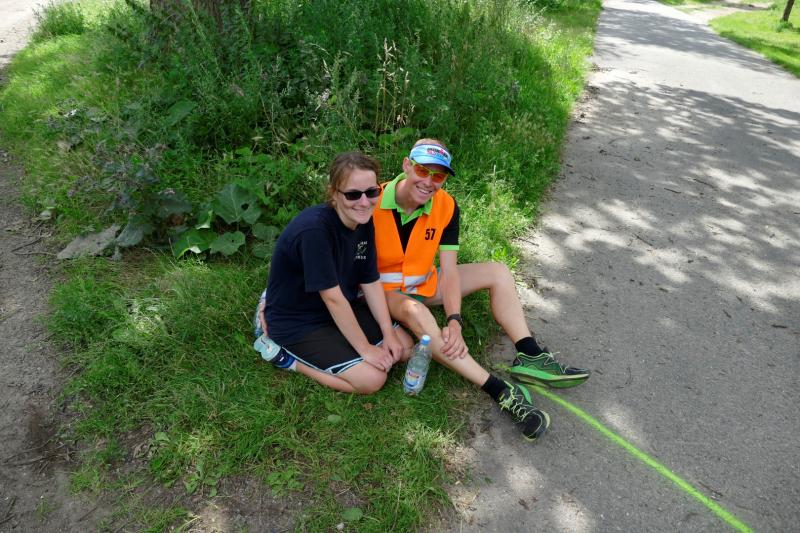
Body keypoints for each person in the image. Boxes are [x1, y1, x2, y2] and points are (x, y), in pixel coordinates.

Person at [372, 138, 590, 441]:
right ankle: (500, 390)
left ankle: (530, 354)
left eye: (438, 176)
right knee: (417, 312)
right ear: (407, 166)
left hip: (423, 282)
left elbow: (449, 270)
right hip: (384, 292)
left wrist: (454, 320)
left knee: (498, 271)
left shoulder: (446, 206)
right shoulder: (371, 200)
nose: (429, 182)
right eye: (422, 170)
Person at [254, 151, 413, 394]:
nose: (364, 202)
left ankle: (349, 344)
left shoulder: (363, 220)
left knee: (405, 347)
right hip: (299, 321)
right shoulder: (314, 231)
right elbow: (332, 298)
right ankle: (285, 358)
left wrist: (388, 332)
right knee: (373, 380)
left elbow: (370, 280)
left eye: (372, 192)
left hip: (339, 308)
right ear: (334, 194)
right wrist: (365, 349)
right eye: (353, 194)